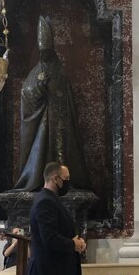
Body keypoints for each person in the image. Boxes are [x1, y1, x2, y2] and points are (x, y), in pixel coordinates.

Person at [13, 17, 90, 191]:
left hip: (60, 122)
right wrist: (39, 90)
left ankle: (64, 182)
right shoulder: (38, 70)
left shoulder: (59, 70)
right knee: (40, 152)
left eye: (47, 52)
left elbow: (65, 95)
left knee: (62, 152)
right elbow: (26, 91)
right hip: (42, 123)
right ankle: (39, 180)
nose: (44, 55)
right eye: (42, 52)